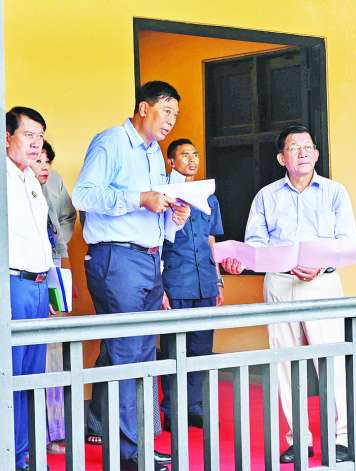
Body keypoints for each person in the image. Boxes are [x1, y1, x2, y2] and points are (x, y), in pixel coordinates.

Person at [220, 124, 355, 464]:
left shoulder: (335, 192)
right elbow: (255, 242)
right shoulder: (266, 196)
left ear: (317, 154)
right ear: (282, 158)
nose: (303, 153)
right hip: (280, 282)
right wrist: (265, 261)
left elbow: (346, 241)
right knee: (285, 362)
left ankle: (340, 438)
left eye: (308, 147)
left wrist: (320, 265)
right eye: (295, 148)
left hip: (322, 284)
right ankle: (298, 438)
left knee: (330, 359)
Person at [75, 81, 189, 471]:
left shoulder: (154, 153)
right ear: (143, 108)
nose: (171, 121)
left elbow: (152, 212)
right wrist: (139, 198)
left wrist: (173, 214)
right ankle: (129, 452)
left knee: (141, 352)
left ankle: (134, 441)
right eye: (166, 111)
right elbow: (84, 195)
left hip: (149, 259)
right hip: (117, 258)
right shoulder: (111, 142)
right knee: (126, 352)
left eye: (176, 114)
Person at [157, 138, 223, 433]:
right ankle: (171, 410)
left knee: (201, 348)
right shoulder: (164, 195)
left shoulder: (209, 197)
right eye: (185, 155)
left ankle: (193, 407)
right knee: (175, 349)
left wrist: (217, 279)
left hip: (204, 281)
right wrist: (160, 287)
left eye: (195, 154)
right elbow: (156, 243)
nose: (192, 160)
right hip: (176, 281)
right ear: (171, 162)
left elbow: (211, 239)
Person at [7, 106, 56, 471]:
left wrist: (51, 288)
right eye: (28, 135)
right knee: (10, 375)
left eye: (40, 136)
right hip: (12, 284)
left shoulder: (31, 180)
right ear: (6, 137)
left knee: (30, 376)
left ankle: (22, 455)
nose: (36, 144)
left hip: (38, 285)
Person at [32, 140, 76, 456]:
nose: (44, 166)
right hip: (22, 272)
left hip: (53, 265)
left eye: (47, 160)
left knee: (54, 350)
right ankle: (29, 432)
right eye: (39, 160)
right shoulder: (14, 183)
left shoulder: (55, 180)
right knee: (27, 355)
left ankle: (56, 431)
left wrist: (59, 244)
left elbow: (68, 217)